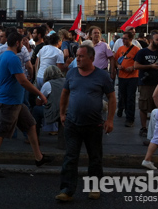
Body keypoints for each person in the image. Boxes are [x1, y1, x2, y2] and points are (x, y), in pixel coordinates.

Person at [0, 32, 53, 178]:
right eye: (22, 43)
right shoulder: (13, 58)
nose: (23, 45)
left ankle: (38, 157)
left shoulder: (3, 56)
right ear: (17, 43)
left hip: (16, 101)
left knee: (31, 124)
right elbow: (23, 80)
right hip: (10, 101)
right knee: (1, 131)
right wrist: (39, 93)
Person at [56, 45, 115, 202]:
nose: (78, 58)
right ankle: (67, 190)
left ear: (91, 58)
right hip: (73, 124)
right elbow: (65, 93)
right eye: (77, 55)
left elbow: (112, 97)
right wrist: (62, 113)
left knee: (95, 157)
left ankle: (94, 188)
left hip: (94, 125)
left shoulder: (102, 75)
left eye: (81, 56)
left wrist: (110, 119)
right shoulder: (72, 73)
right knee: (70, 156)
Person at [133, 31, 158, 136]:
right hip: (145, 83)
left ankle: (154, 127)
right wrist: (150, 66)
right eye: (157, 40)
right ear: (151, 40)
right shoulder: (142, 52)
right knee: (144, 105)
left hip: (157, 83)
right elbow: (136, 66)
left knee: (156, 106)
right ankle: (143, 127)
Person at [115, 32, 140, 127]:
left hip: (132, 77)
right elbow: (116, 60)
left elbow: (139, 62)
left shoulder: (136, 50)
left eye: (125, 38)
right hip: (122, 76)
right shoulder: (120, 49)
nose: (123, 40)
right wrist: (118, 66)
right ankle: (122, 109)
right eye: (123, 38)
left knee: (130, 97)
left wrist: (133, 68)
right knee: (122, 96)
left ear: (130, 39)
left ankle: (130, 118)